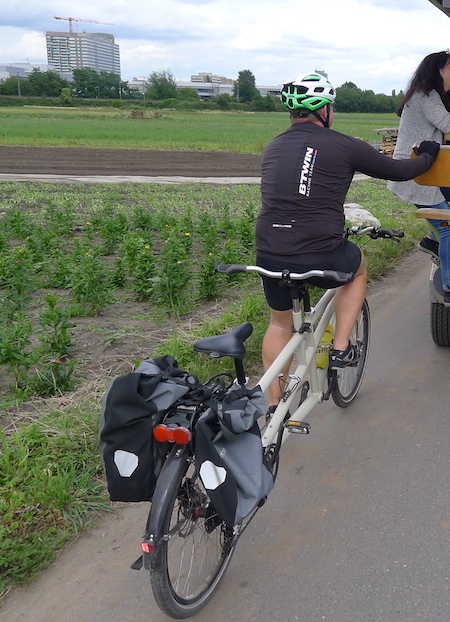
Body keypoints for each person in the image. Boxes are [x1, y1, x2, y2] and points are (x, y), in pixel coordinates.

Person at [256, 72, 439, 409]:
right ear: (324, 109)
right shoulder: (343, 144)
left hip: (268, 252)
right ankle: (341, 347)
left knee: (279, 323)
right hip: (318, 251)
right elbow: (399, 171)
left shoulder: (274, 146)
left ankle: (273, 408)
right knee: (357, 267)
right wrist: (427, 155)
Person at [388, 50, 450, 306]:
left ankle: (431, 242)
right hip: (415, 175)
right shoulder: (427, 97)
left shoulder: (430, 95)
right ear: (439, 70)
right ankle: (449, 285)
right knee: (448, 226)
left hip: (423, 172)